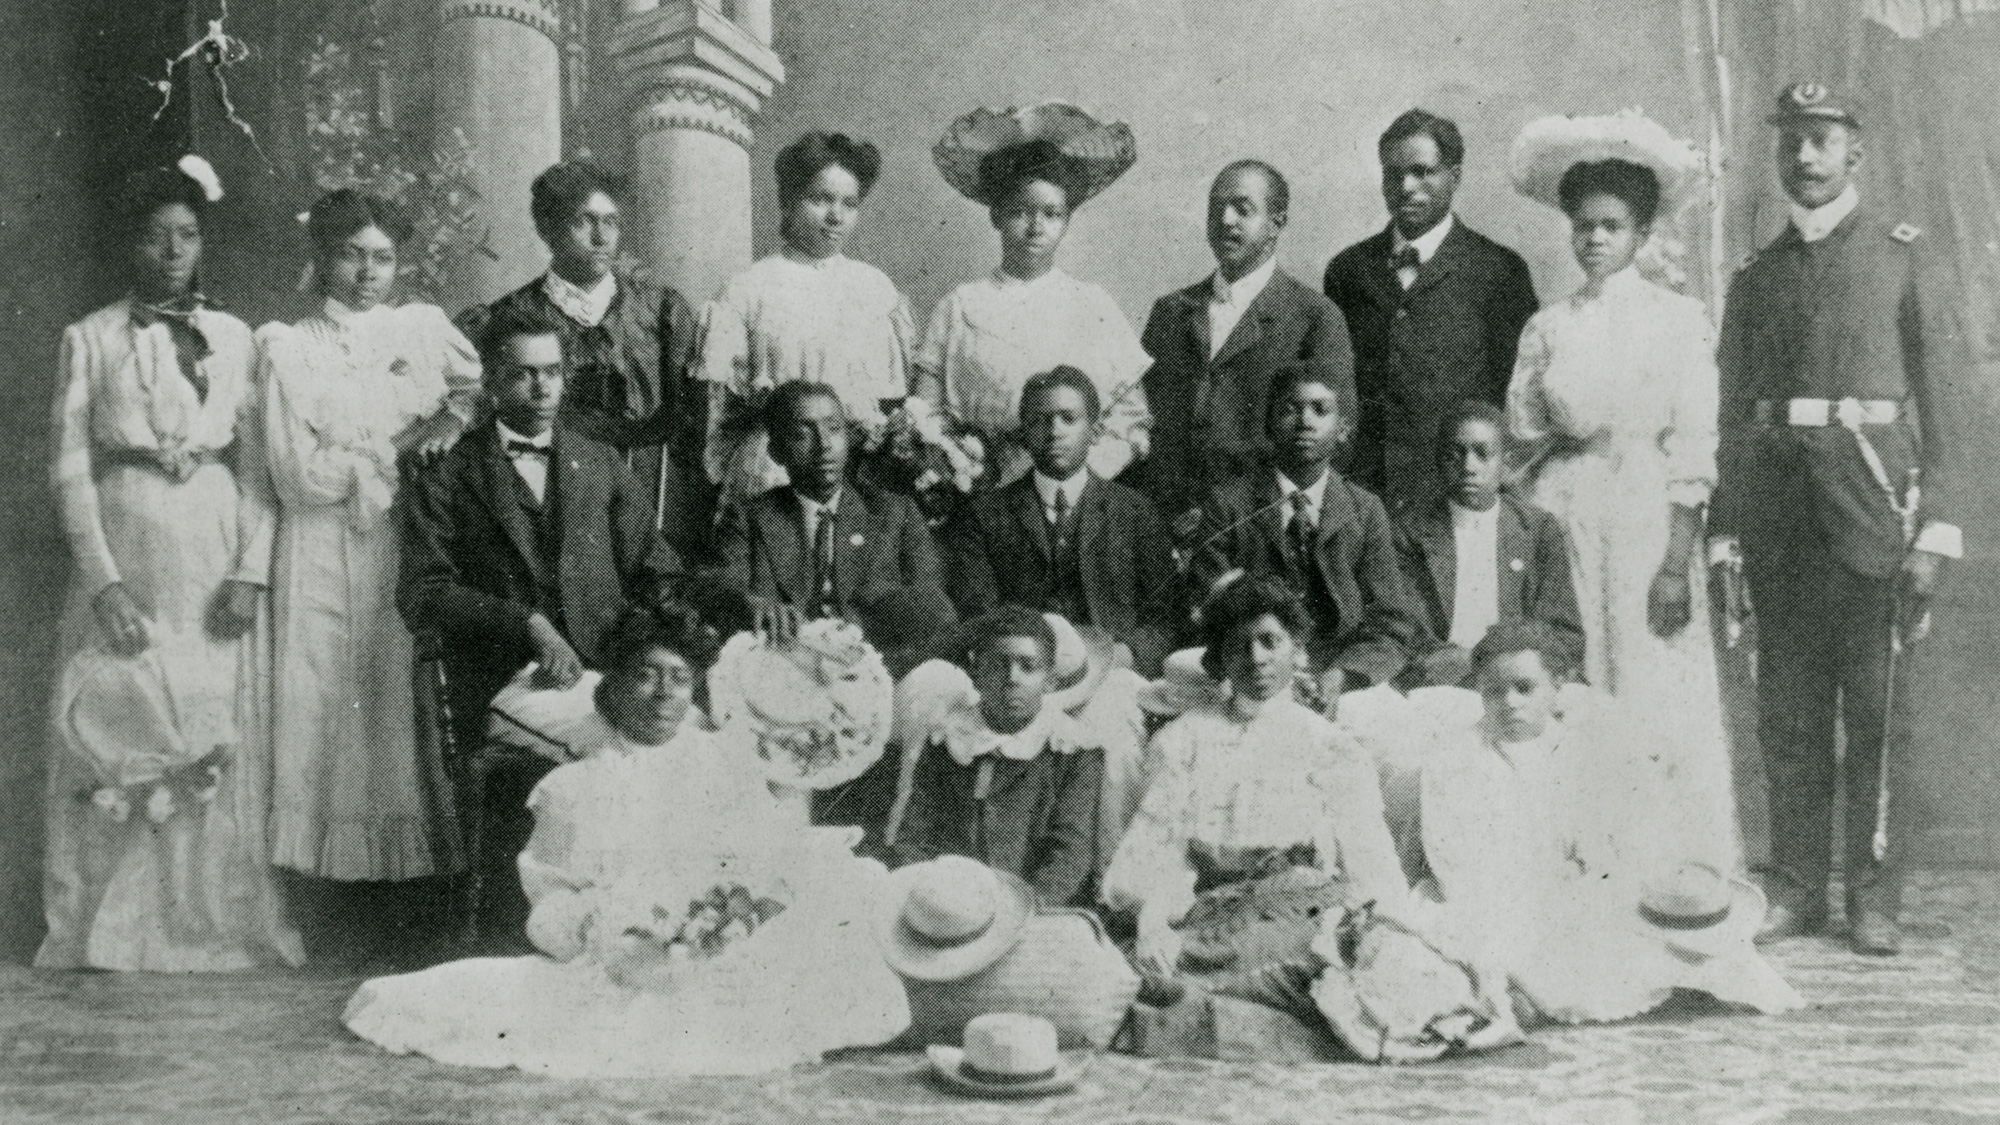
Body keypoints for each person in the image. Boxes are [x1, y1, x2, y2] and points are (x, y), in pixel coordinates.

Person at [343, 605, 908, 1076]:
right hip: (636, 944)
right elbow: (551, 901)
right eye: (646, 675)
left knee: (835, 900)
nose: (664, 694)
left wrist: (737, 913)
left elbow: (764, 857)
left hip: (726, 930)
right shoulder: (573, 787)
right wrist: (600, 929)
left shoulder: (730, 763)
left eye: (679, 678)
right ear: (612, 689)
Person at [1710, 84, 1970, 956]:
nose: (1806, 158)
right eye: (1792, 142)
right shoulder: (1756, 276)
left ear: (1856, 150)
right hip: (1782, 524)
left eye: (1822, 141)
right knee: (1787, 716)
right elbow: (1733, 418)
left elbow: (1948, 413)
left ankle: (1873, 893)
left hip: (1872, 518)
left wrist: (1933, 534)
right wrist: (1725, 534)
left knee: (1876, 716)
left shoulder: (1904, 257)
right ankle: (1793, 886)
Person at [40, 157, 301, 970]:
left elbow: (261, 467)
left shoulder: (237, 337)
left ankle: (213, 920)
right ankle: (113, 929)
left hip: (214, 548)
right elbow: (70, 466)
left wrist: (253, 569)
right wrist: (104, 581)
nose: (172, 251)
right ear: (132, 244)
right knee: (125, 706)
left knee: (215, 718)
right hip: (130, 550)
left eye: (187, 236)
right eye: (156, 238)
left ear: (203, 242)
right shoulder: (91, 336)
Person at [397, 303, 686, 941]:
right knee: (622, 745)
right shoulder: (449, 468)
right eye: (524, 375)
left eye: (552, 372)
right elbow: (424, 593)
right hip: (505, 681)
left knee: (691, 736)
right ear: (492, 383)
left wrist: (661, 648)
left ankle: (670, 913)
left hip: (607, 673)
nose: (542, 388)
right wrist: (523, 621)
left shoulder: (598, 460)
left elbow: (655, 573)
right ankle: (603, 919)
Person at [1505, 114, 1737, 876]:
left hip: (1646, 516)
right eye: (1584, 226)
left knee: (1649, 684)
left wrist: (1676, 559)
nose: (1595, 240)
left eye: (1612, 226)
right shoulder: (1548, 326)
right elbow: (1522, 436)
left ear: (1641, 233)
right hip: (1568, 512)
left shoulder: (1678, 322)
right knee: (1578, 676)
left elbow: (1694, 446)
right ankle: (1583, 864)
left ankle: (1669, 867)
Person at [258, 191, 482, 946]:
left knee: (392, 692)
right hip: (320, 543)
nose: (366, 272)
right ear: (322, 257)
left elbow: (470, 392)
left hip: (396, 536)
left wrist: (446, 422)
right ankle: (321, 894)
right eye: (351, 254)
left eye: (382, 257)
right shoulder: (288, 345)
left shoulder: (419, 329)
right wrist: (374, 460)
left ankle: (404, 896)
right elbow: (295, 474)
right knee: (320, 696)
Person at [1411, 621, 1804, 1024]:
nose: (1510, 703)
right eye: (1495, 691)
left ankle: (1651, 980)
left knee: (1648, 920)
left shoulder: (1580, 749)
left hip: (1572, 891)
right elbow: (1452, 855)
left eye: (1524, 688)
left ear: (1557, 686)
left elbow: (1601, 837)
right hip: (1491, 893)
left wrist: (1591, 867)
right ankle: (1522, 990)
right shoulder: (1457, 759)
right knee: (1503, 937)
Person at [1103, 576, 1408, 987]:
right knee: (1138, 964)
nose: (1256, 658)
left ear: (1297, 649)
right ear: (1220, 659)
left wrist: (1389, 925)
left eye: (1270, 641)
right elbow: (1158, 842)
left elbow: (1369, 852)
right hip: (1207, 910)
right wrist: (1153, 920)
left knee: (1320, 949)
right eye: (1238, 646)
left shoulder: (1328, 745)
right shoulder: (1182, 739)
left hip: (1298, 908)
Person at [454, 161, 705, 558]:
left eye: (612, 222)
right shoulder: (505, 317)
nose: (602, 237)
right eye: (584, 222)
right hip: (548, 498)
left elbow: (690, 421)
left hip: (651, 497)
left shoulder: (661, 311)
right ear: (548, 230)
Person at [916, 103, 1152, 490]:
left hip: (1076, 491)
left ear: (1067, 220)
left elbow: (1130, 419)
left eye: (1052, 214)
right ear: (996, 216)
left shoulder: (1093, 305)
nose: (1036, 227)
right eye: (1020, 212)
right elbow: (926, 413)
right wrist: (961, 464)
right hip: (981, 489)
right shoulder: (960, 305)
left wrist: (1077, 479)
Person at [1324, 109, 1539, 514]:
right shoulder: (1349, 271)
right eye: (1393, 174)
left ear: (1454, 176)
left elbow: (1513, 400)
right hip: (1365, 500)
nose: (1406, 187)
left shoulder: (1500, 272)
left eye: (1423, 172)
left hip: (1453, 497)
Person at [697, 132, 918, 516]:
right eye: (821, 199)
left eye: (849, 203)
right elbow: (720, 412)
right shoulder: (748, 287)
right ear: (789, 201)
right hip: (777, 464)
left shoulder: (875, 288)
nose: (836, 216)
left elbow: (891, 400)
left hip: (859, 464)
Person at [1133, 160, 1355, 530]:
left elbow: (1336, 441)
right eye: (1216, 207)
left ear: (1276, 223)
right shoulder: (1170, 312)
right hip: (1164, 526)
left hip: (1259, 531)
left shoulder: (1314, 317)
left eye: (1242, 209)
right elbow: (1141, 424)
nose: (1225, 220)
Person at [1189, 363, 1422, 710]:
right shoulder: (1229, 505)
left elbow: (1390, 621)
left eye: (1320, 410)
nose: (1305, 421)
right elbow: (1212, 609)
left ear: (1343, 429)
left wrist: (1341, 676)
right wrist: (1277, 671)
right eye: (1290, 409)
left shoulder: (1365, 510)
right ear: (1268, 425)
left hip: (1341, 672)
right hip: (1253, 668)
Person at [945, 365, 1179, 676]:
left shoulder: (1135, 512)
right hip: (1021, 676)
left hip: (1115, 672)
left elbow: (1165, 619)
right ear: (1023, 436)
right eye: (1040, 421)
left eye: (1068, 419)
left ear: (1094, 433)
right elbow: (978, 613)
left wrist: (1126, 655)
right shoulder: (984, 515)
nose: (1054, 431)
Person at [885, 606, 1106, 907]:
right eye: (999, 665)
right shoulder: (946, 738)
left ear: (1049, 680)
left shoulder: (1071, 751)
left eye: (1028, 667)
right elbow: (914, 835)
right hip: (949, 902)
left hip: (1036, 906)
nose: (1012, 678)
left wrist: (1027, 908)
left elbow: (1069, 852)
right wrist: (928, 895)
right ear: (976, 672)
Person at [717, 380, 953, 646]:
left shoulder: (897, 512)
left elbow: (930, 602)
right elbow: (725, 584)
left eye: (834, 429)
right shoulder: (749, 517)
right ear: (777, 452)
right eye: (802, 434)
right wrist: (750, 602)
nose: (824, 445)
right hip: (787, 661)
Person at [1393, 400, 1583, 687]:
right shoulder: (1410, 532)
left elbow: (1563, 634)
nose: (1469, 467)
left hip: (1519, 679)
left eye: (1483, 454)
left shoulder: (1539, 529)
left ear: (1505, 464)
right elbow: (1405, 631)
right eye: (1455, 454)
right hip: (1439, 683)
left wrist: (1480, 659)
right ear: (1439, 461)